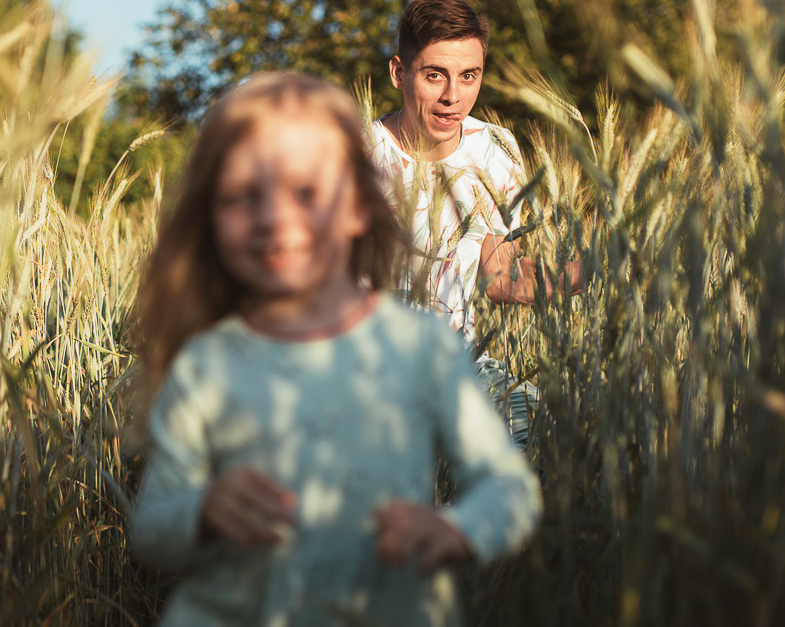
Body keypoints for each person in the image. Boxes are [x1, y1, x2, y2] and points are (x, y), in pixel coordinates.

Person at [130, 72, 542, 626]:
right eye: (242, 196)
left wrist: (456, 529)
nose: (275, 218)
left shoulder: (420, 349)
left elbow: (508, 486)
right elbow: (152, 525)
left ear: (358, 208)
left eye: (306, 192)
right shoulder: (208, 364)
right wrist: (201, 511)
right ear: (209, 218)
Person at [367, 0, 583, 447]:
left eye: (469, 76)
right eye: (434, 76)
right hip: (363, 374)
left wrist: (574, 274)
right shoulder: (353, 157)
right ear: (398, 73)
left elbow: (498, 276)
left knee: (550, 434)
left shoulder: (495, 151)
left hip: (459, 364)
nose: (453, 96)